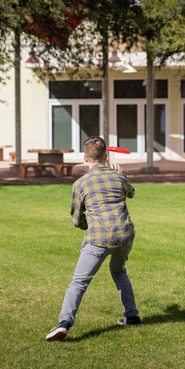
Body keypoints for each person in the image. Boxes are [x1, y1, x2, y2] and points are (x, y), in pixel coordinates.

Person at [46, 136, 141, 342]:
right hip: (125, 236)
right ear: (106, 156)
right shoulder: (118, 176)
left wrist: (88, 226)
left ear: (85, 158)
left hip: (99, 238)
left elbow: (76, 220)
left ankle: (64, 323)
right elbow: (131, 193)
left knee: (79, 282)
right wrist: (122, 175)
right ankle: (132, 316)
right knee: (118, 272)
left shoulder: (80, 183)